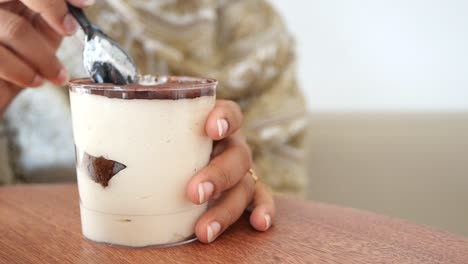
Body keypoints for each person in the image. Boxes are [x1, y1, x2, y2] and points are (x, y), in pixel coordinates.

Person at [0, 0, 307, 243]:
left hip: (191, 242)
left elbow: (279, 185)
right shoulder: (18, 12)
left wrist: (238, 180)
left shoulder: (252, 28)